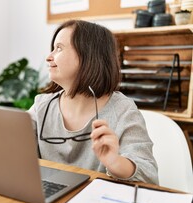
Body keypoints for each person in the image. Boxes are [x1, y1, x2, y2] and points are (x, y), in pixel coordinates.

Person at [27, 20, 158, 184]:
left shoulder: (123, 110)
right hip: (49, 199)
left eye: (59, 48)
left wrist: (115, 161)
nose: (49, 57)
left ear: (88, 55)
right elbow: (12, 150)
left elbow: (148, 175)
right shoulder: (41, 106)